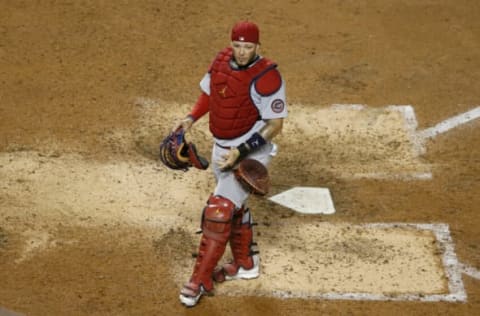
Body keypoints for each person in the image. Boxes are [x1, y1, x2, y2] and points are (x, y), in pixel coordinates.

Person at [173, 21, 288, 307]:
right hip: (221, 148)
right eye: (237, 45)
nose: (241, 52)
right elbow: (211, 95)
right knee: (234, 207)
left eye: (248, 47)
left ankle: (198, 281)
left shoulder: (267, 77)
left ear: (258, 46)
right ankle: (246, 263)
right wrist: (190, 118)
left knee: (219, 209)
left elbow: (275, 124)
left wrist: (242, 151)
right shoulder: (222, 62)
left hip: (250, 152)